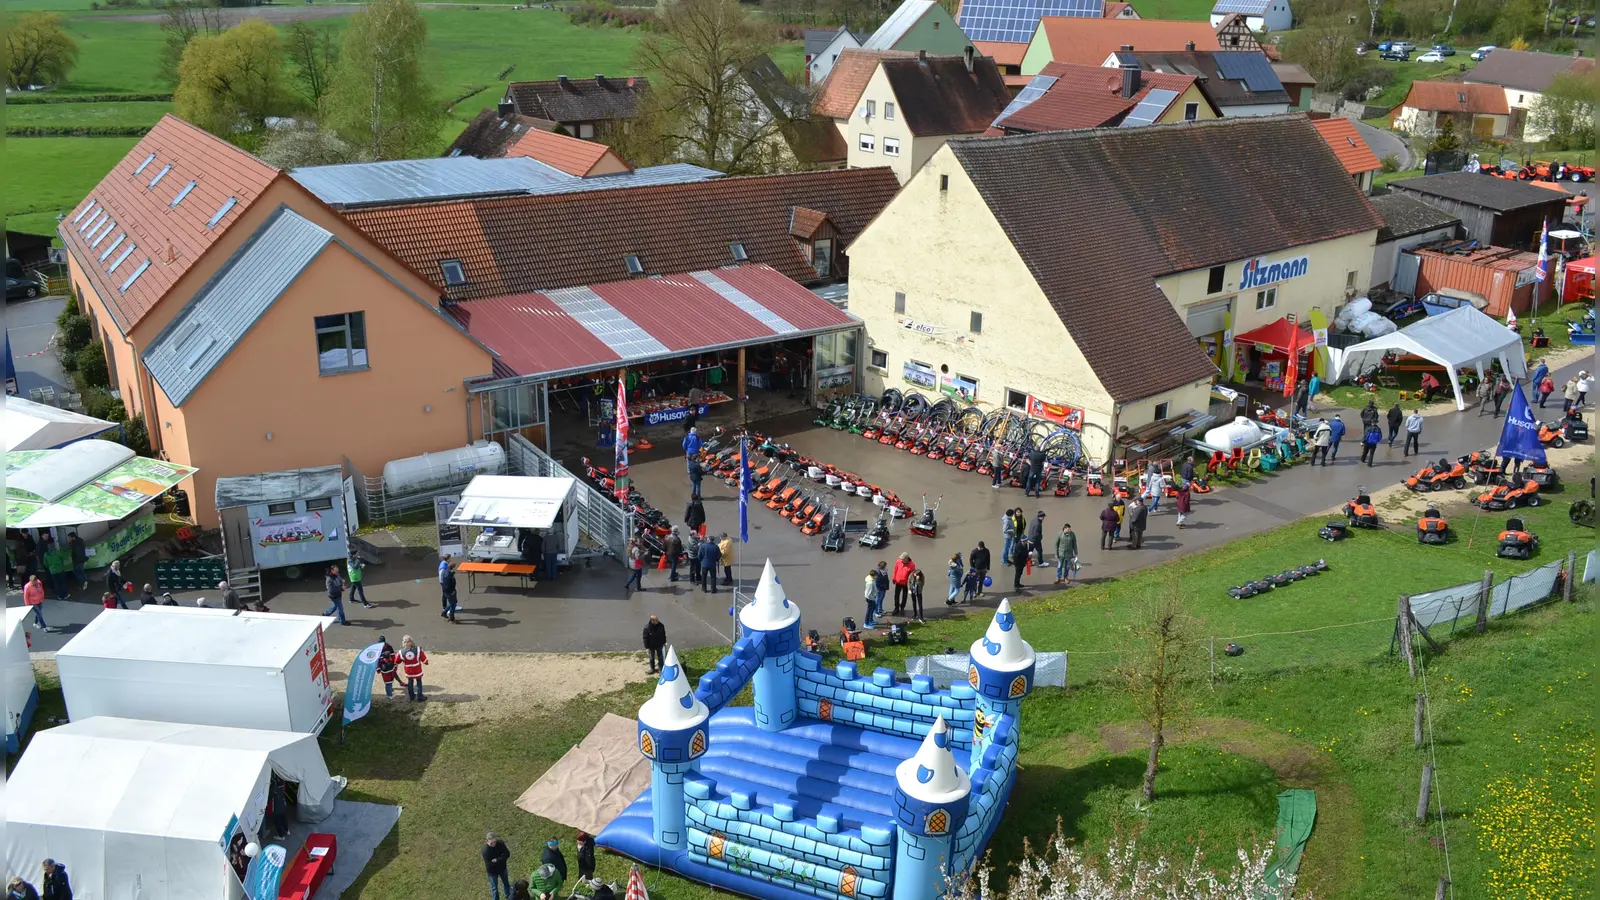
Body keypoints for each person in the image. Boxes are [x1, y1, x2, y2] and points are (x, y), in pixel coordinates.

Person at [482, 833, 514, 900]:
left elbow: (507, 854)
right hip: (492, 872)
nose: (494, 844)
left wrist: (497, 860)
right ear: (487, 841)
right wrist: (501, 858)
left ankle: (508, 896)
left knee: (506, 883)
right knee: (494, 889)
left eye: (494, 842)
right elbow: (489, 864)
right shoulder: (485, 850)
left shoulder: (500, 843)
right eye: (491, 843)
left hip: (502, 868)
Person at [400, 635, 428, 701]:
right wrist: (426, 662)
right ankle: (420, 696)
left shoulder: (401, 652)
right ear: (411, 642)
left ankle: (411, 696)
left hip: (408, 670)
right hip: (417, 669)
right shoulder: (418, 649)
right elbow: (424, 660)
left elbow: (397, 661)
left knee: (410, 682)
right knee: (419, 682)